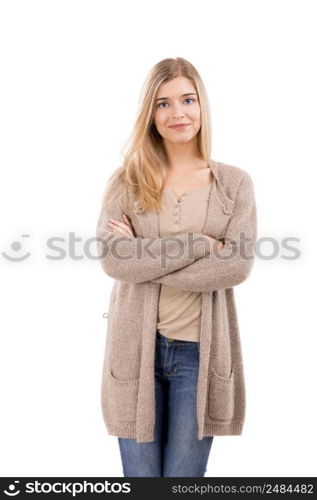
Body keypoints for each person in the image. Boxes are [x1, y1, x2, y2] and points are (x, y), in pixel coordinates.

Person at [96, 57, 257, 477]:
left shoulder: (234, 183)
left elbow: (236, 266)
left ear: (202, 105)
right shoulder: (125, 181)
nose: (177, 113)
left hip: (198, 356)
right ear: (150, 114)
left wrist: (145, 258)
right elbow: (115, 259)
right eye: (163, 103)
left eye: (187, 99)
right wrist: (199, 245)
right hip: (135, 352)